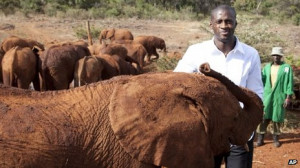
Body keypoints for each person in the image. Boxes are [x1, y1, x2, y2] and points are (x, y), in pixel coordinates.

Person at [173, 4, 263, 168]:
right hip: (205, 131)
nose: (224, 26)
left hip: (238, 130)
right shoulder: (196, 51)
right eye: (219, 21)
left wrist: (250, 124)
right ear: (211, 24)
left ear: (236, 23)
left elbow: (256, 93)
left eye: (228, 21)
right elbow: (175, 84)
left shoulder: (251, 54)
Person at [256, 47, 294, 148]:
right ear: (272, 56)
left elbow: (289, 83)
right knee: (263, 116)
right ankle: (260, 139)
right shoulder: (267, 67)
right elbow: (261, 81)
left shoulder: (286, 68)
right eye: (274, 55)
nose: (276, 57)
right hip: (267, 95)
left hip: (279, 95)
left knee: (277, 117)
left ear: (281, 56)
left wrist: (288, 97)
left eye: (278, 55)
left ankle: (276, 139)